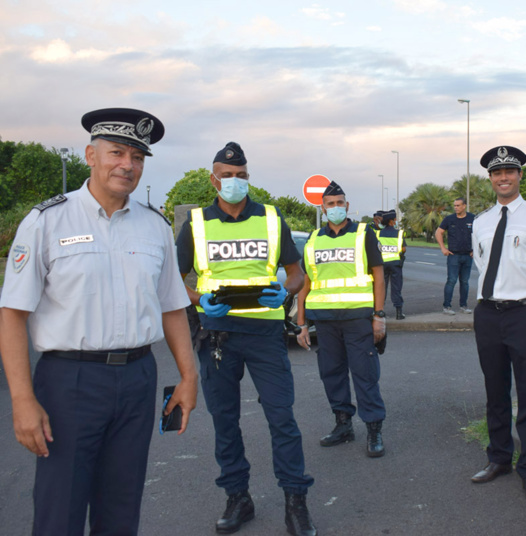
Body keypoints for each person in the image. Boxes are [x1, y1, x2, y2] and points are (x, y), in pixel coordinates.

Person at [0, 108, 198, 536]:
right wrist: (21, 400)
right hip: (69, 381)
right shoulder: (47, 220)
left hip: (138, 378)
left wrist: (188, 376)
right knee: (60, 512)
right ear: (91, 155)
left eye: (137, 157)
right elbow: (13, 314)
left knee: (121, 510)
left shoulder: (155, 226)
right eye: (117, 153)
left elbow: (172, 307)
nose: (127, 164)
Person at [175, 142, 316, 535]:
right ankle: (238, 497)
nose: (233, 182)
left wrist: (285, 291)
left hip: (265, 334)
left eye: (240, 176)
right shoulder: (197, 224)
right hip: (217, 336)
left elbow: (296, 272)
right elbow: (170, 279)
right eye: (226, 176)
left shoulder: (271, 218)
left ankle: (295, 500)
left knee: (282, 418)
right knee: (225, 421)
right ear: (213, 179)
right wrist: (199, 299)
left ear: (247, 178)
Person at [469, 145, 526, 503]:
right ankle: (499, 458)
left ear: (520, 175)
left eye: (509, 171)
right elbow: (481, 264)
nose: (503, 178)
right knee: (495, 390)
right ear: (490, 179)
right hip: (489, 314)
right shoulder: (481, 220)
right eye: (496, 173)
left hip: (525, 313)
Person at [296, 181, 388, 458]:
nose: (335, 208)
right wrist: (301, 322)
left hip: (358, 319)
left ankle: (374, 429)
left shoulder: (363, 234)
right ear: (322, 208)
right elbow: (305, 282)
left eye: (339, 203)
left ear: (347, 206)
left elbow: (379, 276)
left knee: (365, 375)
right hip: (324, 322)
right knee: (331, 375)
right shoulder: (314, 240)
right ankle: (343, 425)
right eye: (330, 204)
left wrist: (379, 316)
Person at [435, 197, 475, 315]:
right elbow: (439, 232)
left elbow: (480, 233)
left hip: (467, 255)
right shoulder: (449, 219)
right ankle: (447, 306)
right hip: (454, 255)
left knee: (465, 282)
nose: (456, 207)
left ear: (464, 206)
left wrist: (475, 250)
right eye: (455, 206)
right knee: (451, 281)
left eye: (458, 205)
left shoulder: (472, 218)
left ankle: (463, 306)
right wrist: (443, 248)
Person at [377, 209, 407, 319]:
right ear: (391, 221)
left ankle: (380, 312)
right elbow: (403, 249)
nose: (396, 221)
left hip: (382, 264)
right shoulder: (398, 233)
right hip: (395, 264)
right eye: (395, 219)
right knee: (396, 288)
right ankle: (399, 313)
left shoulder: (378, 233)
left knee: (381, 288)